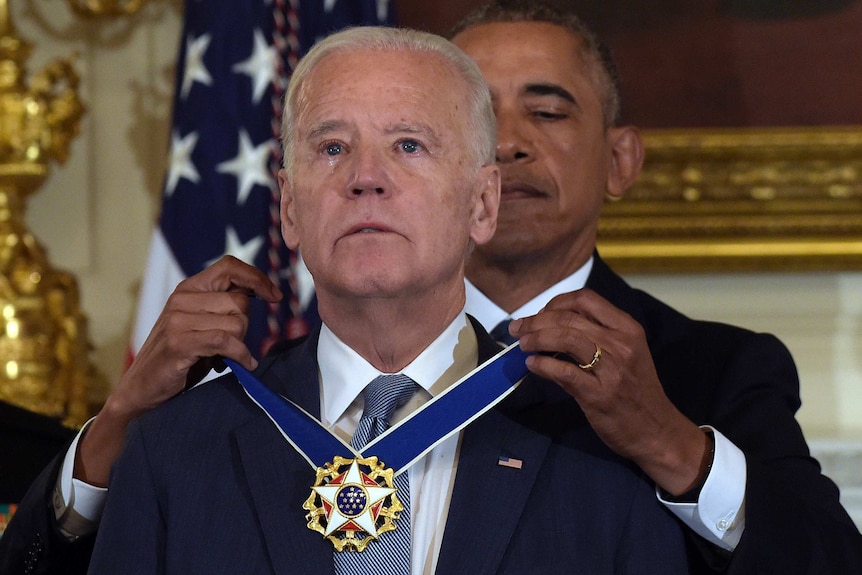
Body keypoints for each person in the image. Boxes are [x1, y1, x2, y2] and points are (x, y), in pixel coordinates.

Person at [4, 2, 861, 573]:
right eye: (333, 147)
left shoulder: (627, 435)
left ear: (476, 197)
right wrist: (120, 424)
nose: (367, 178)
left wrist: (675, 447)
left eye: (412, 143)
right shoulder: (202, 434)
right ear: (290, 204)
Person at [448, 1, 862, 574]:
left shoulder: (722, 368)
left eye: (546, 111)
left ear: (620, 161)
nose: (506, 143)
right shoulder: (336, 365)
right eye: (476, 118)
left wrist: (668, 442)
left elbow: (831, 563)